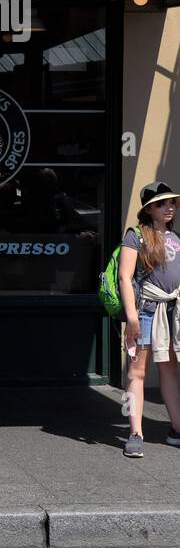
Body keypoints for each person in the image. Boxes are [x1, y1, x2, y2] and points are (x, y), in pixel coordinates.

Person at [119, 180, 180, 458]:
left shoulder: (176, 238)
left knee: (168, 370)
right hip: (144, 310)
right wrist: (131, 317)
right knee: (137, 372)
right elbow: (125, 277)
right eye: (162, 203)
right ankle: (135, 433)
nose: (169, 207)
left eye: (172, 203)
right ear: (149, 209)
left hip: (171, 312)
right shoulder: (136, 236)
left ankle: (176, 429)